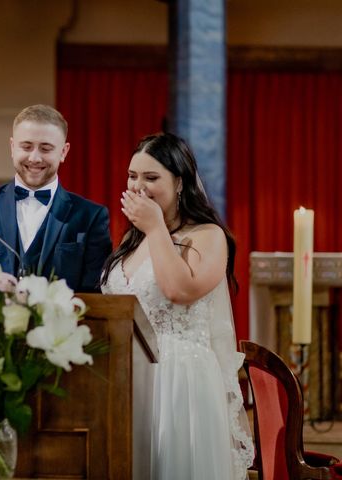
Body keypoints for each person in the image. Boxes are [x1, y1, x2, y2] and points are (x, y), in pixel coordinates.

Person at [100, 132, 253, 479]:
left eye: (151, 177)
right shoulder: (129, 240)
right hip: (129, 377)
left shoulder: (208, 236)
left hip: (181, 380)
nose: (138, 187)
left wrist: (155, 228)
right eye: (132, 176)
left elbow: (178, 290)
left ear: (180, 182)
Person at [0, 104, 111, 291]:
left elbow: (95, 292)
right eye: (26, 147)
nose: (35, 158)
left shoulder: (91, 216)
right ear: (12, 147)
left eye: (45, 148)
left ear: (64, 152)